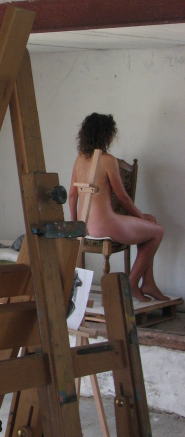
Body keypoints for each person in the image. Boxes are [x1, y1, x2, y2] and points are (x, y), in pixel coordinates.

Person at [69, 113, 167, 303]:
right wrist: (141, 216)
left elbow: (72, 195)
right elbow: (123, 198)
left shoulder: (79, 159)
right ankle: (132, 284)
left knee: (146, 232)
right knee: (157, 231)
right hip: (104, 224)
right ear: (105, 134)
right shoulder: (108, 160)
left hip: (85, 225)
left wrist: (75, 224)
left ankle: (148, 283)